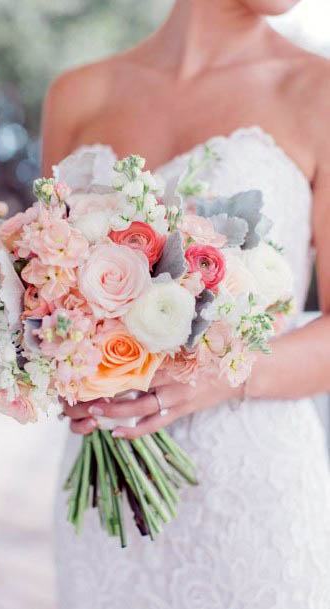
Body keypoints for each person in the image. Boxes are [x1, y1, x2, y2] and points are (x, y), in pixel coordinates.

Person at [42, 1, 330, 607]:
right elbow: (42, 280)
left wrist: (223, 375)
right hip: (106, 490)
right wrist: (56, 355)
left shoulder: (318, 91)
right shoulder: (78, 94)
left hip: (254, 499)